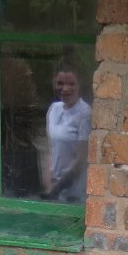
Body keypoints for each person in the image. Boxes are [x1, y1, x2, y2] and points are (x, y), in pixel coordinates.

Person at [43, 63, 90, 203]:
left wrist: (56, 188)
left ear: (79, 85)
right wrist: (48, 184)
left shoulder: (85, 113)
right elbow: (49, 149)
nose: (65, 89)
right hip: (53, 189)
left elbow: (81, 159)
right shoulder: (53, 109)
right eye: (60, 83)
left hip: (74, 192)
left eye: (71, 84)